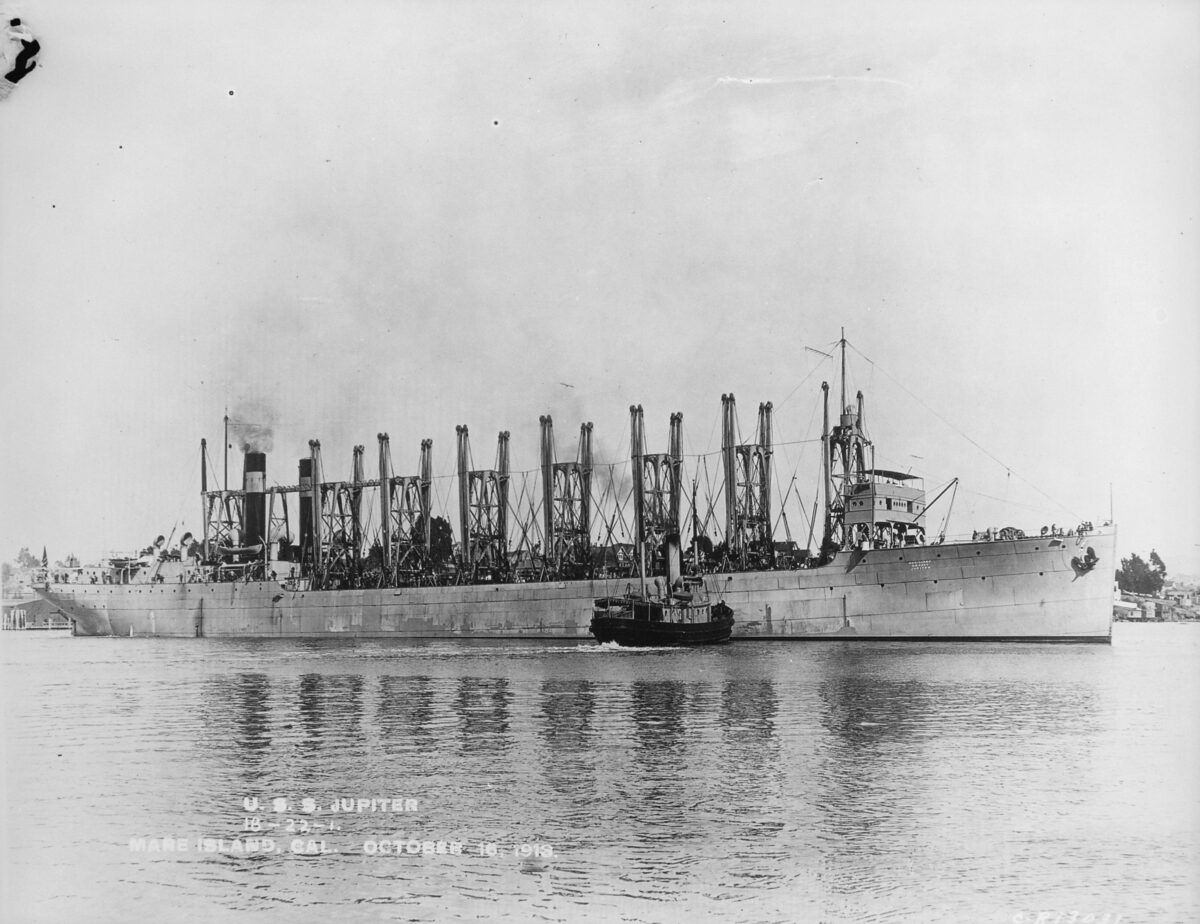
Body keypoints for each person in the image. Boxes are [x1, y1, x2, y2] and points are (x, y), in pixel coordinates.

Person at [4, 19, 39, 84]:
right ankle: (12, 79)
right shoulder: (20, 72)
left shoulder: (20, 72)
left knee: (21, 57)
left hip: (32, 46)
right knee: (21, 57)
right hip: (33, 46)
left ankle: (12, 80)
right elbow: (30, 68)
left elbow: (30, 68)